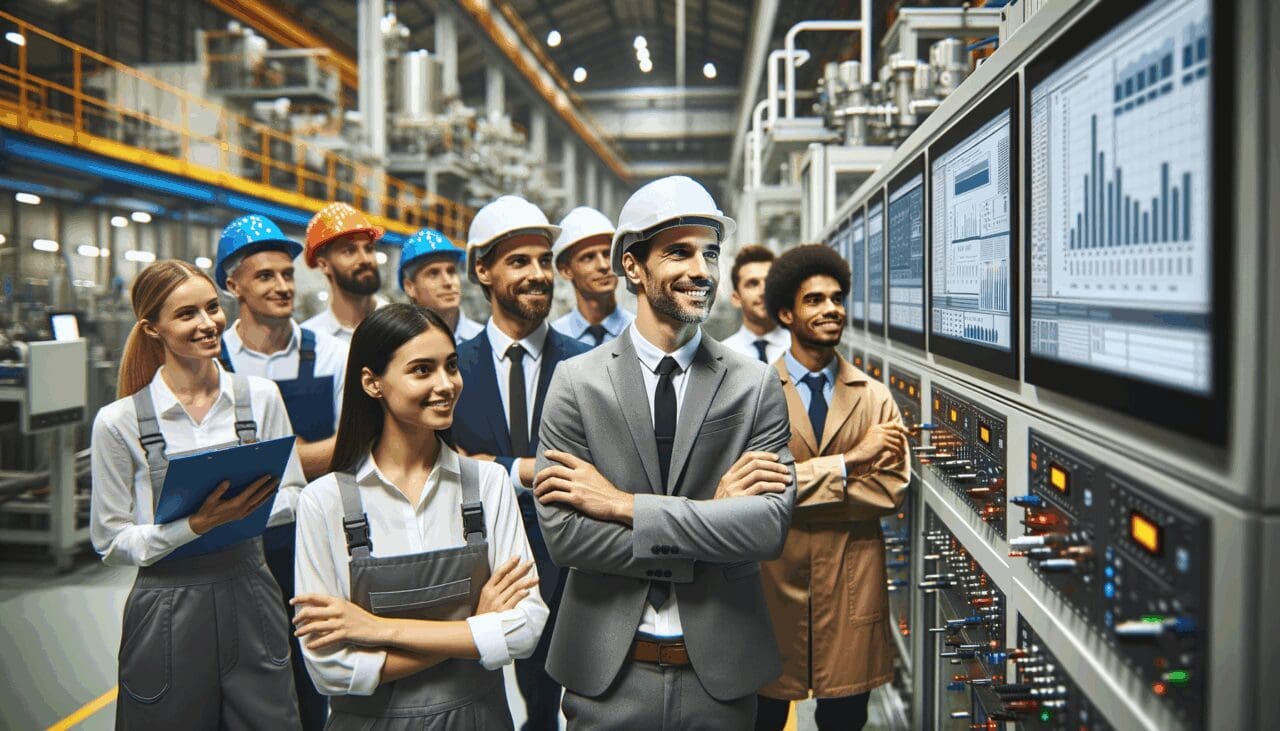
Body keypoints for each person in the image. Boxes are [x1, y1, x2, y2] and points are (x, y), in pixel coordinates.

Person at [531, 175, 796, 728]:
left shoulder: (755, 384)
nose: (702, 270)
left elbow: (767, 529)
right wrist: (714, 522)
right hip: (606, 672)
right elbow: (566, 537)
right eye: (679, 252)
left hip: (721, 676)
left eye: (710, 253)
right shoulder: (575, 383)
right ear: (633, 266)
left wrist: (624, 506)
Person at [291, 304, 549, 730]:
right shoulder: (325, 502)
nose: (446, 384)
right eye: (422, 370)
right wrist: (474, 627)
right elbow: (330, 668)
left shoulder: (488, 484)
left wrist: (376, 629)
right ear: (372, 382)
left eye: (451, 366)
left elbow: (525, 627)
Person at [89, 260, 305, 729]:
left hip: (252, 590)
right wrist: (194, 525)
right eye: (187, 315)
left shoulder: (261, 397)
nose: (208, 324)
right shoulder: (119, 422)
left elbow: (292, 493)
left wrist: (244, 512)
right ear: (152, 328)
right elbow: (110, 540)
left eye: (212, 308)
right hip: (166, 606)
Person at [754, 245, 911, 731]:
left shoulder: (874, 395)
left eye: (837, 298)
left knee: (845, 718)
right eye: (815, 300)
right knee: (764, 715)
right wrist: (851, 464)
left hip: (850, 585)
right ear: (786, 313)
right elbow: (753, 492)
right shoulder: (755, 391)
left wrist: (797, 492)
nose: (831, 310)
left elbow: (891, 489)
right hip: (773, 585)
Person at [451, 195, 590, 730]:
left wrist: (501, 467)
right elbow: (446, 466)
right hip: (478, 564)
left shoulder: (589, 365)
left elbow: (593, 468)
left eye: (542, 262)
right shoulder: (453, 369)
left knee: (555, 703)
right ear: (482, 271)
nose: (538, 275)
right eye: (519, 262)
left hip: (573, 563)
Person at [214, 213, 349, 728]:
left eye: (287, 274)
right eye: (265, 276)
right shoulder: (214, 358)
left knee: (310, 669)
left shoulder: (332, 353)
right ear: (233, 285)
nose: (282, 285)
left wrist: (257, 461)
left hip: (311, 540)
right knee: (237, 671)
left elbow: (352, 446)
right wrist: (306, 455)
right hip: (232, 543)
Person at [302, 202, 388, 341]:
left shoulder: (400, 326)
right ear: (324, 265)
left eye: (369, 249)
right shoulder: (310, 340)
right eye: (349, 251)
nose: (365, 259)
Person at [548, 207, 634, 347]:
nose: (603, 266)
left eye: (607, 254)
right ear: (565, 270)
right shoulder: (553, 339)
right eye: (588, 257)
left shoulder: (639, 333)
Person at [397, 227, 484, 342]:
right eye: (433, 273)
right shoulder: (398, 345)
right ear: (410, 287)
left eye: (451, 271)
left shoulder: (485, 341)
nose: (448, 282)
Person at [721, 245, 790, 363]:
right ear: (736, 298)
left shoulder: (803, 350)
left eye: (770, 282)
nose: (764, 291)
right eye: (752, 284)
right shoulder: (722, 356)